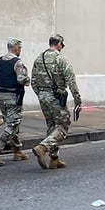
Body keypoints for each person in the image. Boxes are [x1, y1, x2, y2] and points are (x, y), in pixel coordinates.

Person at [31, 34, 82, 170]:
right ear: (58, 44)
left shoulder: (39, 59)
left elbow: (33, 81)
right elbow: (71, 82)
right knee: (63, 126)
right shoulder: (61, 60)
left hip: (43, 96)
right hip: (56, 98)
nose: (62, 47)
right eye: (62, 45)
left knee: (51, 126)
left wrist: (41, 94)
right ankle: (43, 148)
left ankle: (54, 159)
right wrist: (78, 100)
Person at [0, 38, 31, 165]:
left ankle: (17, 151)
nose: (20, 50)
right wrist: (28, 80)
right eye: (20, 48)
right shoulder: (18, 63)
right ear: (16, 48)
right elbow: (21, 79)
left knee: (11, 121)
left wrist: (2, 81)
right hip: (13, 95)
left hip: (1, 95)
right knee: (13, 123)